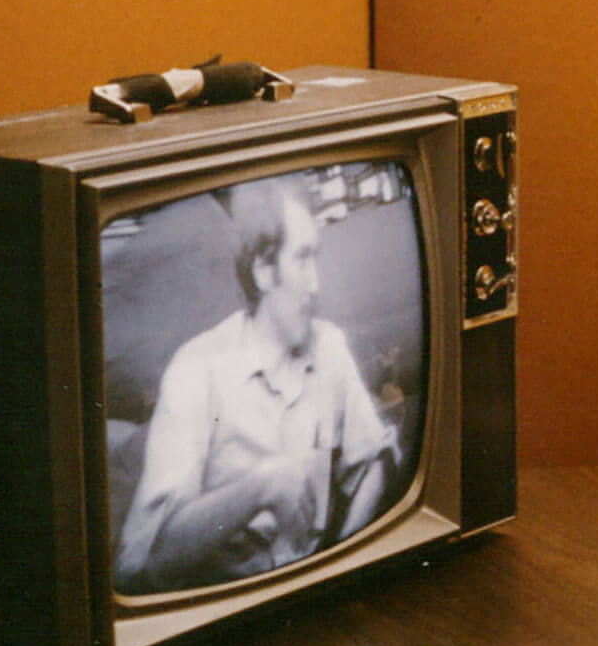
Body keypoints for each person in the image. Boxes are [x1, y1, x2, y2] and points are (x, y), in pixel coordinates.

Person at [115, 174, 399, 593]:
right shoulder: (196, 370)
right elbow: (146, 564)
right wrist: (261, 487)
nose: (316, 284)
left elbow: (374, 457)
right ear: (264, 271)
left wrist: (340, 562)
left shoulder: (328, 346)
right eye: (302, 260)